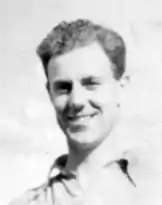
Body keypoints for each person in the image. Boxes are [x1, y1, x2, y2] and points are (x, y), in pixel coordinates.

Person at [10, 19, 138, 205]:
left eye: (91, 83)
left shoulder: (154, 188)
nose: (76, 101)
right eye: (63, 88)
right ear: (50, 93)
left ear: (121, 88)